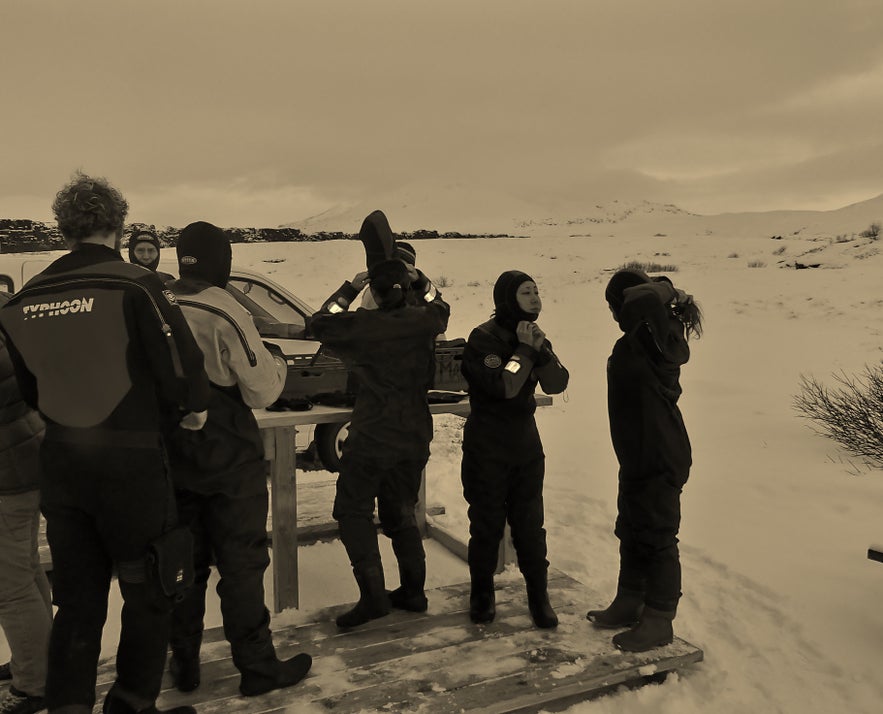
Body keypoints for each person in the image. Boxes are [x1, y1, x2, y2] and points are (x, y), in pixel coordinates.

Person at [0, 172, 211, 714]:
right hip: (131, 464)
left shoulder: (23, 299)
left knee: (78, 600)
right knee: (148, 592)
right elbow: (185, 378)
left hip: (62, 466)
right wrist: (188, 414)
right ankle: (131, 704)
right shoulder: (138, 284)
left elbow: (28, 390)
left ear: (65, 228)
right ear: (117, 225)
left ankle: (69, 706)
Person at [163, 221, 312, 696]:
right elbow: (263, 388)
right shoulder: (223, 306)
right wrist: (281, 364)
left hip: (173, 453)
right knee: (242, 565)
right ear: (220, 261)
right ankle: (257, 668)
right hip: (229, 457)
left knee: (184, 566)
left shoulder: (159, 303)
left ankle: (184, 664)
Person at [310, 252, 450, 629]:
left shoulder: (362, 326)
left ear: (373, 291)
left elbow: (320, 321)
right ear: (405, 290)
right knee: (400, 512)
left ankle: (373, 598)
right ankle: (413, 592)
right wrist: (421, 281)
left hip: (373, 435)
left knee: (352, 511)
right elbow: (442, 304)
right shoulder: (426, 320)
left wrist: (349, 288)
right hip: (414, 434)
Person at [586, 268, 702, 652]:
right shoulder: (644, 335)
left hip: (659, 451)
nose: (612, 313)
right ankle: (629, 600)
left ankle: (659, 620)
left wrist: (664, 286)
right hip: (637, 452)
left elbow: (644, 300)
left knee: (657, 537)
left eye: (612, 304)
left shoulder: (655, 336)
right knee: (632, 530)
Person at [460, 270, 569, 629]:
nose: (536, 299)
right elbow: (504, 386)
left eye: (537, 291)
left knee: (530, 527)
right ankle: (482, 592)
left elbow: (557, 383)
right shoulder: (484, 339)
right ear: (508, 299)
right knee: (486, 524)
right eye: (526, 292)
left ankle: (539, 596)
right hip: (487, 446)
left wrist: (540, 352)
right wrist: (524, 351)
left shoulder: (535, 337)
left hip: (524, 445)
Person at [0, 292, 51, 714]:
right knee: (26, 567)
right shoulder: (7, 310)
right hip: (25, 455)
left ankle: (34, 683)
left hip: (7, 469)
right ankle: (38, 663)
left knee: (10, 584)